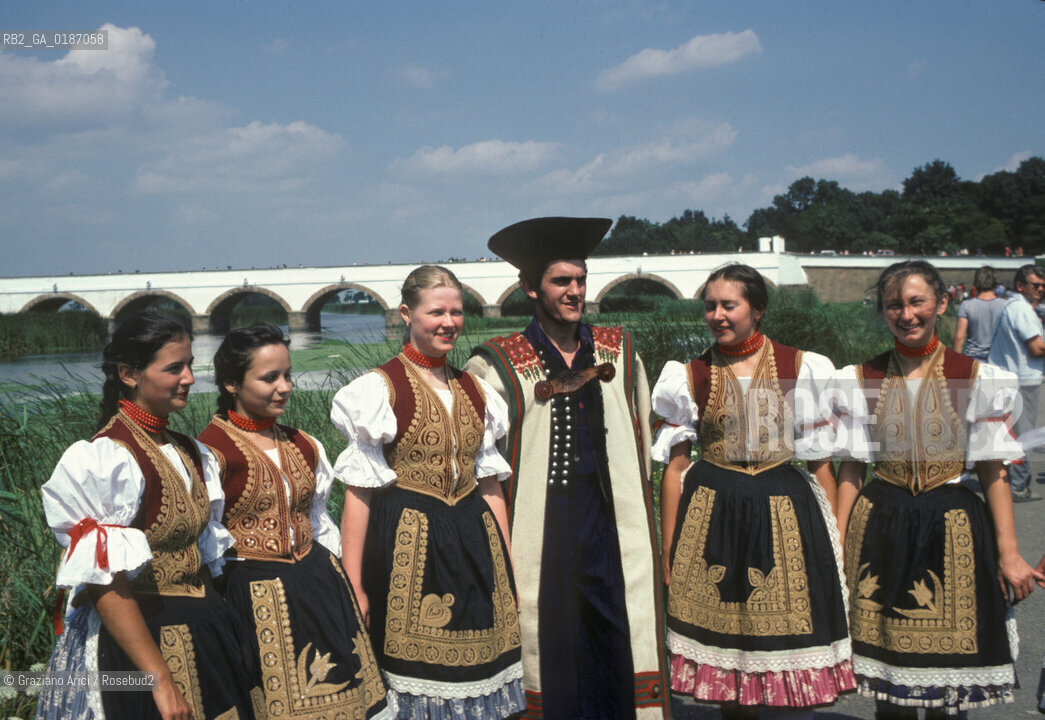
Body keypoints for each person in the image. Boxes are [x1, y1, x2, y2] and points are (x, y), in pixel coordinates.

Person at [465, 217, 669, 719]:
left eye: (580, 279)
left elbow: (641, 439)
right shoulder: (495, 365)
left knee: (618, 637)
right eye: (562, 281)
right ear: (530, 288)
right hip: (542, 528)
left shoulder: (619, 350)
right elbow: (483, 470)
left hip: (612, 524)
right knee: (550, 650)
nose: (575, 291)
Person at [831, 260, 1042, 719]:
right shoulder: (859, 378)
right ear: (883, 311)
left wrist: (1009, 553)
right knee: (890, 683)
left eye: (916, 302)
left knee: (949, 685)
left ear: (941, 303)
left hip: (952, 525)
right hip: (882, 524)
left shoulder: (976, 377)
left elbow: (993, 473)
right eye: (894, 305)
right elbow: (850, 470)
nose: (906, 314)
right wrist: (838, 545)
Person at [37, 310, 263, 720]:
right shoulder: (106, 458)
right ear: (128, 373)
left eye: (190, 365)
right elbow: (105, 582)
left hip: (206, 634)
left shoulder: (189, 450)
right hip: (142, 649)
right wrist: (160, 682)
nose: (189, 378)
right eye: (174, 368)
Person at [651, 263, 854, 720]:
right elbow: (675, 468)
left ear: (757, 310)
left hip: (783, 509)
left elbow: (822, 462)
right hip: (712, 512)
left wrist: (837, 539)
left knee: (775, 635)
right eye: (710, 306)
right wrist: (669, 550)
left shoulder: (801, 367)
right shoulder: (690, 375)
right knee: (726, 638)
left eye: (729, 305)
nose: (717, 315)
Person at [331, 265, 524, 718]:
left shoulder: (477, 390)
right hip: (409, 552)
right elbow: (358, 496)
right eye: (437, 311)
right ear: (406, 314)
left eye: (456, 312)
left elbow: (491, 486)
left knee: (483, 676)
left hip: (478, 548)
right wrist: (354, 584)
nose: (449, 322)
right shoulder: (379, 390)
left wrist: (508, 568)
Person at [198, 324, 388, 720]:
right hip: (254, 601)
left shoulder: (304, 443)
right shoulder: (209, 453)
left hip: (320, 588)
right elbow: (207, 549)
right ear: (232, 383)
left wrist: (349, 588)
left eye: (287, 375)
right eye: (269, 378)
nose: (284, 387)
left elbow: (319, 523)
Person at [986, 264, 1045, 502]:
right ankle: (1019, 486)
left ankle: (1013, 481)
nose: (1040, 290)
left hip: (1010, 377)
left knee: (1013, 433)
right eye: (1035, 285)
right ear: (1021, 286)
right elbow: (1036, 347)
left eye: (1043, 286)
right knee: (1024, 435)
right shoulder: (1021, 309)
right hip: (1021, 379)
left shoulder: (1013, 305)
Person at [952, 266, 1005, 362]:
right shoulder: (1005, 306)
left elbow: (959, 338)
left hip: (973, 359)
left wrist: (955, 363)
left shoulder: (967, 305)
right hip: (998, 359)